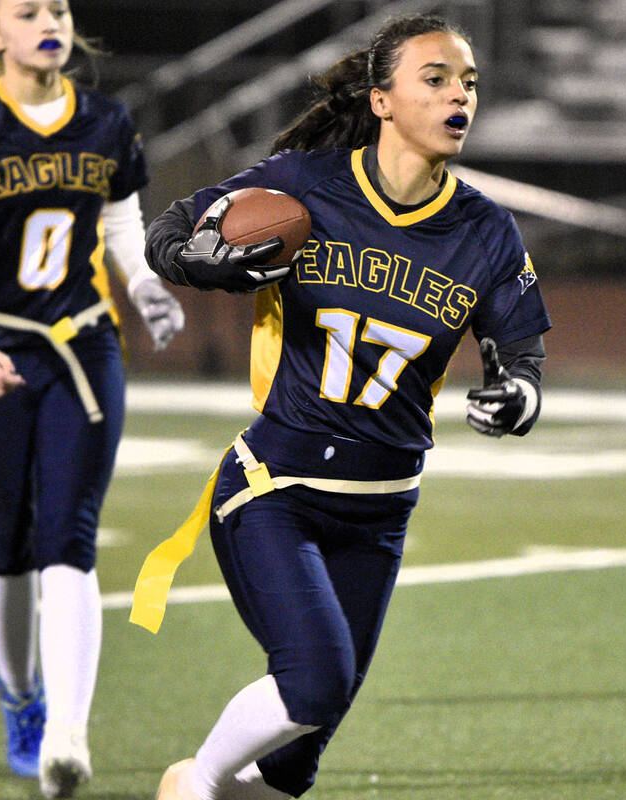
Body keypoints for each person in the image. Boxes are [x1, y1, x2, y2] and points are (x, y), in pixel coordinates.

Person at [130, 13, 550, 800]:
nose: (460, 95)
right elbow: (170, 231)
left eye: (469, 83)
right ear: (383, 99)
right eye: (436, 79)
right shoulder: (304, 184)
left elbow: (519, 353)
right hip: (276, 488)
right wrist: (203, 262)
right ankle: (192, 782)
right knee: (314, 684)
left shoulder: (485, 230)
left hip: (380, 513)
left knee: (291, 771)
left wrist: (517, 393)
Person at [0, 1, 185, 797]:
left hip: (83, 346)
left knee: (70, 530)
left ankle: (68, 730)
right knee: (7, 538)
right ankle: (20, 698)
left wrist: (144, 285)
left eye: (58, 7)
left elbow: (122, 224)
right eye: (26, 10)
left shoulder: (105, 121)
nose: (49, 20)